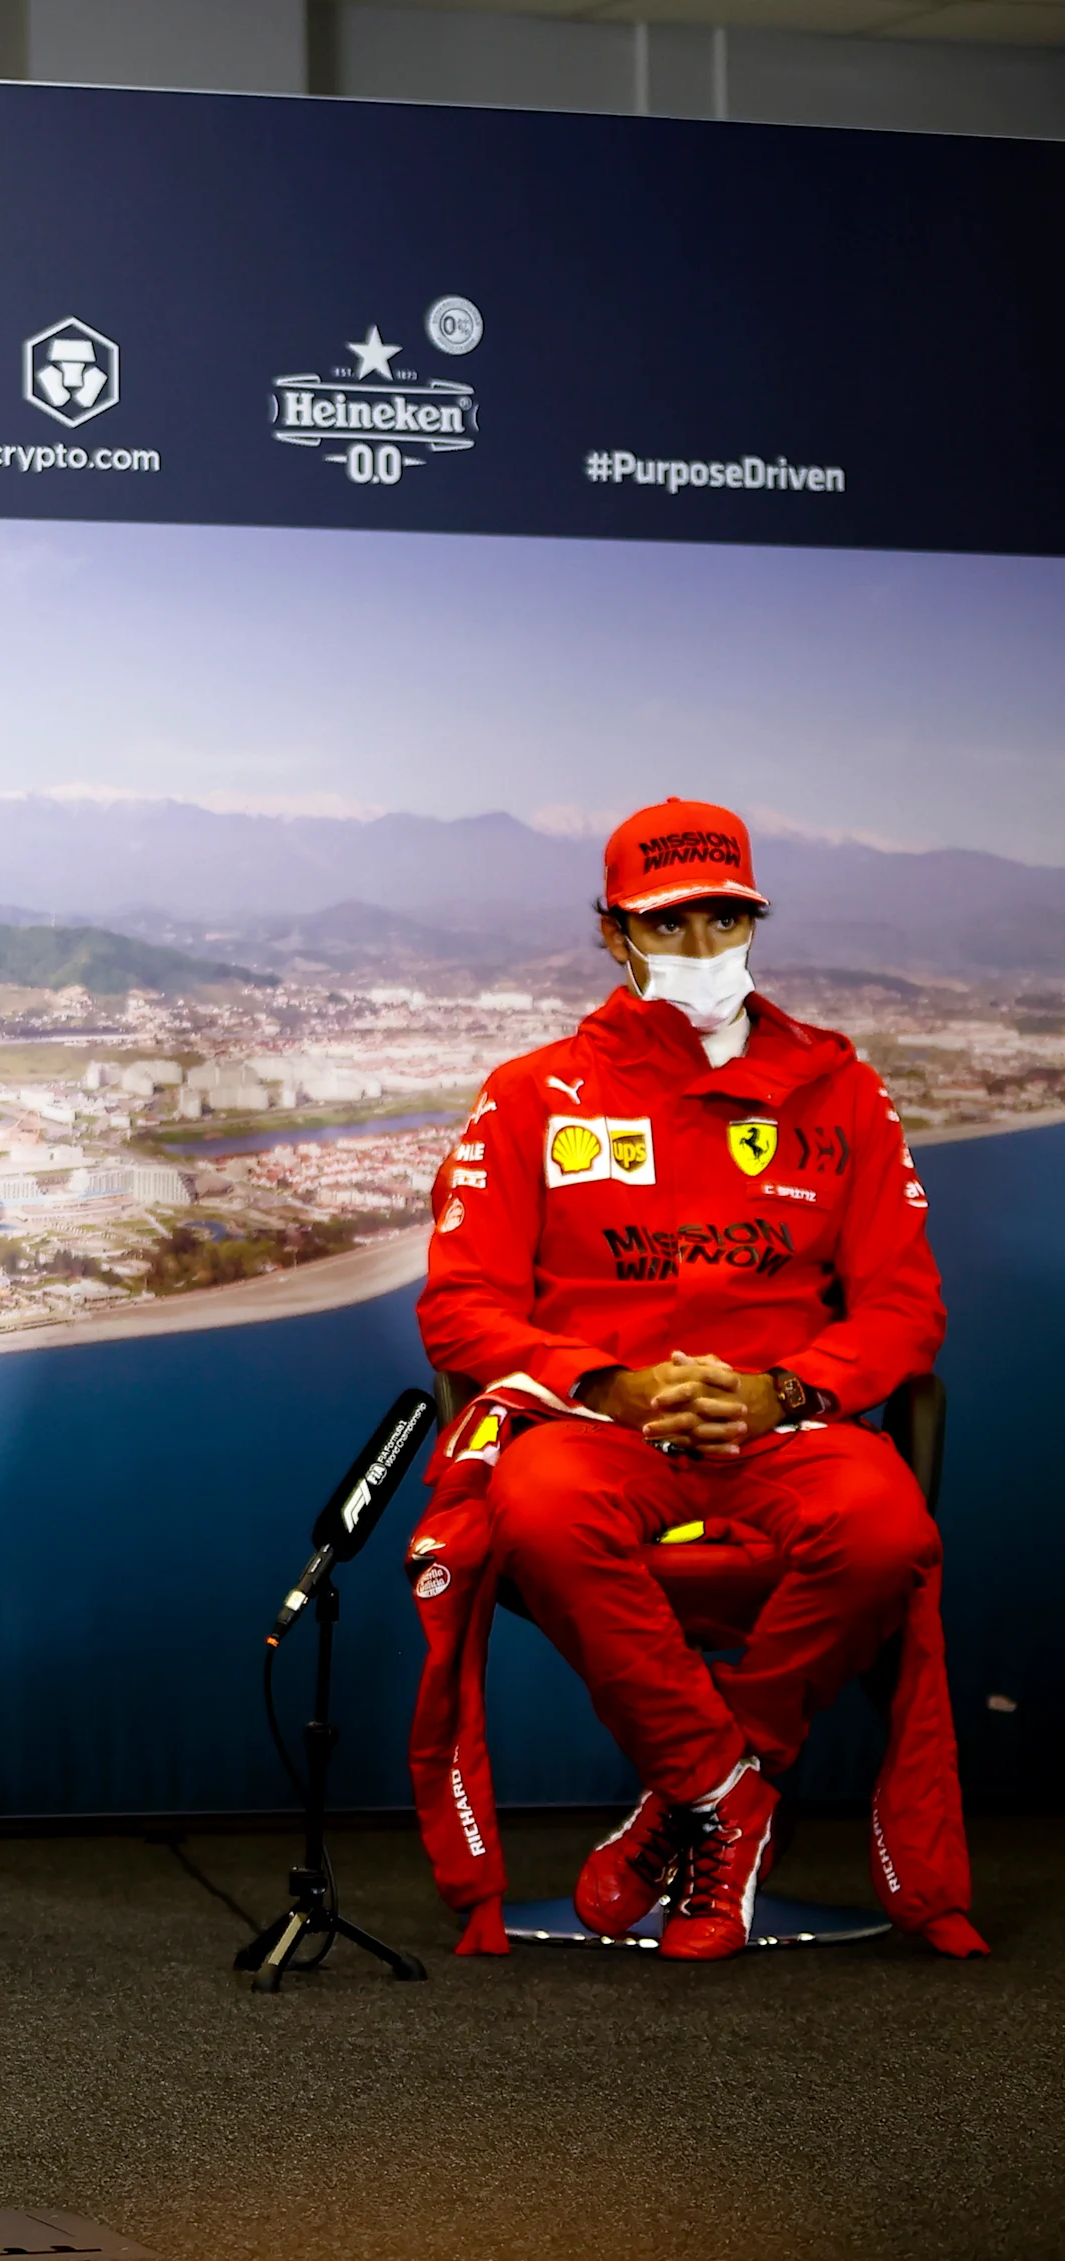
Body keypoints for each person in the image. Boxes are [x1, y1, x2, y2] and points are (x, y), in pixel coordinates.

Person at [414, 797, 977, 1960]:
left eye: (723, 918)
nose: (700, 948)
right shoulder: (531, 1093)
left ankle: (700, 1798)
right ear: (613, 935)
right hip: (601, 1428)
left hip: (781, 1425)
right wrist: (604, 1383)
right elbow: (459, 1303)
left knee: (884, 1525)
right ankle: (723, 1789)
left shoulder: (841, 1088)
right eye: (668, 925)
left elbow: (901, 1305)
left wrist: (791, 1388)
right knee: (535, 1508)